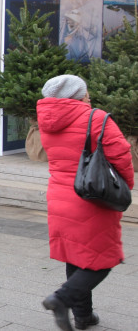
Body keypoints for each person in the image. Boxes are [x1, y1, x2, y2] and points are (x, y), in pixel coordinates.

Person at [37, 74, 134, 331]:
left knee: (76, 255)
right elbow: (121, 155)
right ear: (78, 96)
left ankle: (83, 316)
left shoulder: (46, 120)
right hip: (91, 197)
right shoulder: (96, 118)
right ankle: (61, 299)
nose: (88, 96)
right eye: (85, 92)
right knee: (105, 259)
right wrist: (124, 187)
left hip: (59, 195)